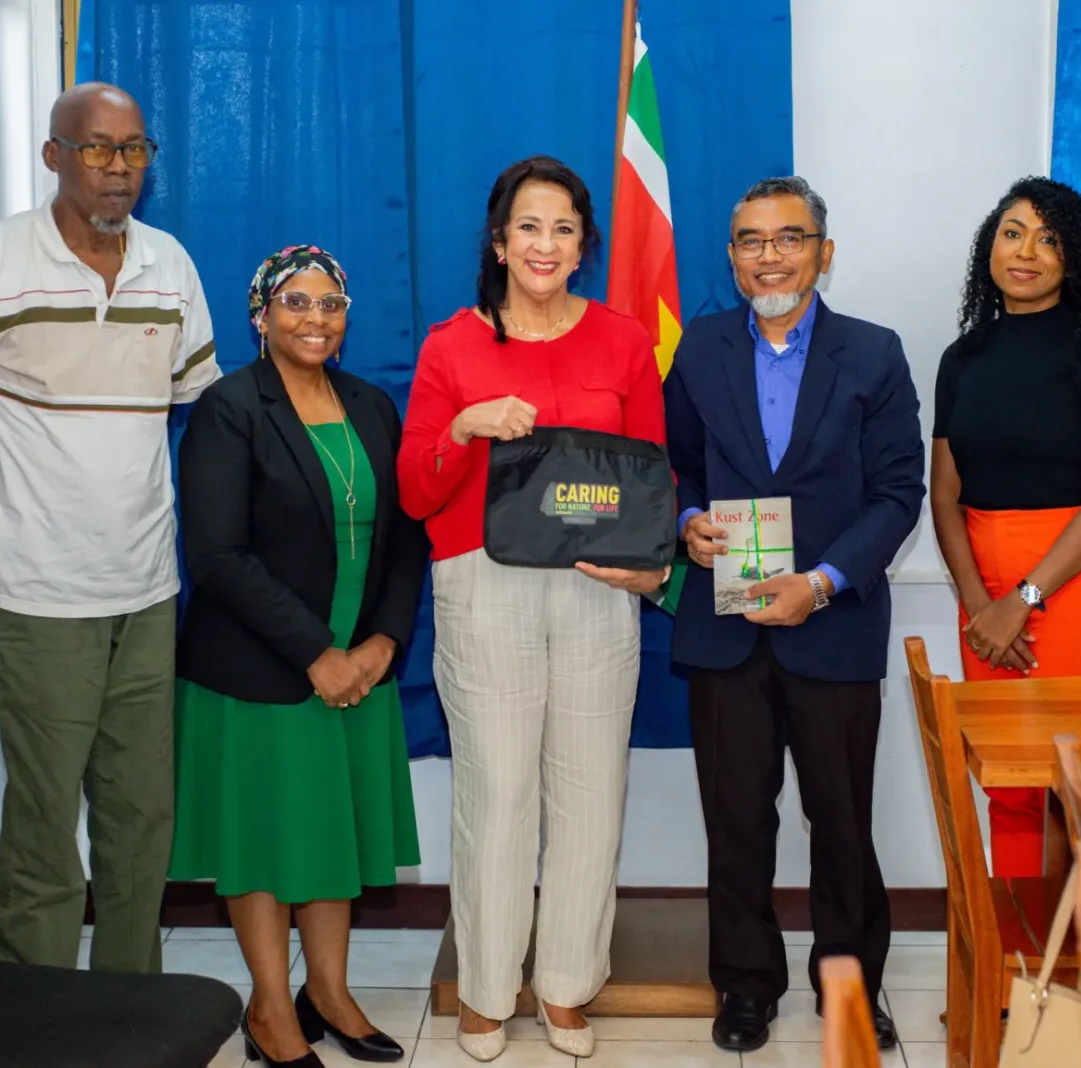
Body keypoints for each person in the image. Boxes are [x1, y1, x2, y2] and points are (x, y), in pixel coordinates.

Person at [0, 82, 218, 972]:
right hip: (36, 602)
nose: (118, 168)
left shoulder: (171, 265)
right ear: (54, 155)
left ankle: (128, 1014)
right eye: (97, 148)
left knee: (141, 821)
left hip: (146, 593)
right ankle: (32, 1017)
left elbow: (201, 421)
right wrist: (13, 530)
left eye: (134, 149)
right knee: (46, 832)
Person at [396, 155, 667, 1062]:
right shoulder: (451, 346)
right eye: (528, 226)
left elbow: (652, 475)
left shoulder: (624, 342)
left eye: (563, 228)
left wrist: (649, 569)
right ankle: (485, 991)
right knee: (498, 791)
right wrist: (463, 427)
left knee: (591, 794)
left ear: (584, 247)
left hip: (596, 589)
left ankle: (564, 986)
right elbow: (415, 491)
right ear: (500, 242)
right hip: (486, 587)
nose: (544, 244)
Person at [664, 176, 925, 1053]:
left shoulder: (874, 353)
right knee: (736, 823)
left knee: (842, 822)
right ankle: (745, 987)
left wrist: (821, 582)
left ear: (824, 251)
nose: (769, 255)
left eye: (789, 237)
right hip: (725, 629)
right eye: (751, 240)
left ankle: (850, 983)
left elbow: (898, 492)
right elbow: (679, 464)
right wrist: (686, 520)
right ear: (731, 256)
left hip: (833, 625)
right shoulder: (699, 348)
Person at [170, 246, 426, 1066]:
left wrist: (382, 641)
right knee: (263, 842)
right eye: (296, 303)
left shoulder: (372, 406)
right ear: (261, 315)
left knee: (329, 837)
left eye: (331, 304)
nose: (316, 319)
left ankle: (330, 993)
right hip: (262, 671)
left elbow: (405, 537)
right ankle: (271, 1011)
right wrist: (318, 652)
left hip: (361, 668)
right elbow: (217, 556)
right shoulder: (230, 408)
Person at [931, 176, 1081, 879]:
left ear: (1073, 257)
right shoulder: (961, 358)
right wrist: (979, 605)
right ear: (989, 247)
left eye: (1049, 239)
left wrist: (1021, 600)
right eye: (1013, 233)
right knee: (1006, 780)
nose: (1026, 252)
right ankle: (1017, 943)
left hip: (1069, 581)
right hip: (982, 588)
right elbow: (945, 494)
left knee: (1070, 782)